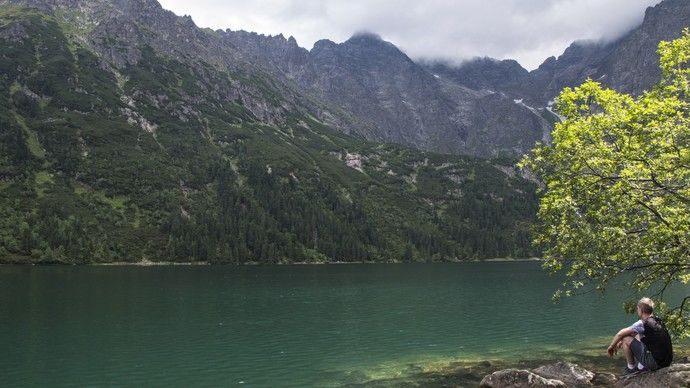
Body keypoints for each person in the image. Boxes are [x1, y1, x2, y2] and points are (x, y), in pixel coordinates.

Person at [607, 297, 673, 376]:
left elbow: (620, 333)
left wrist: (611, 346)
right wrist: (620, 340)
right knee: (637, 334)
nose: (637, 311)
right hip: (666, 361)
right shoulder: (658, 321)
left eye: (637, 309)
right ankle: (641, 366)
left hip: (656, 363)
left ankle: (631, 369)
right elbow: (636, 333)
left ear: (641, 310)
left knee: (626, 339)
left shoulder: (642, 323)